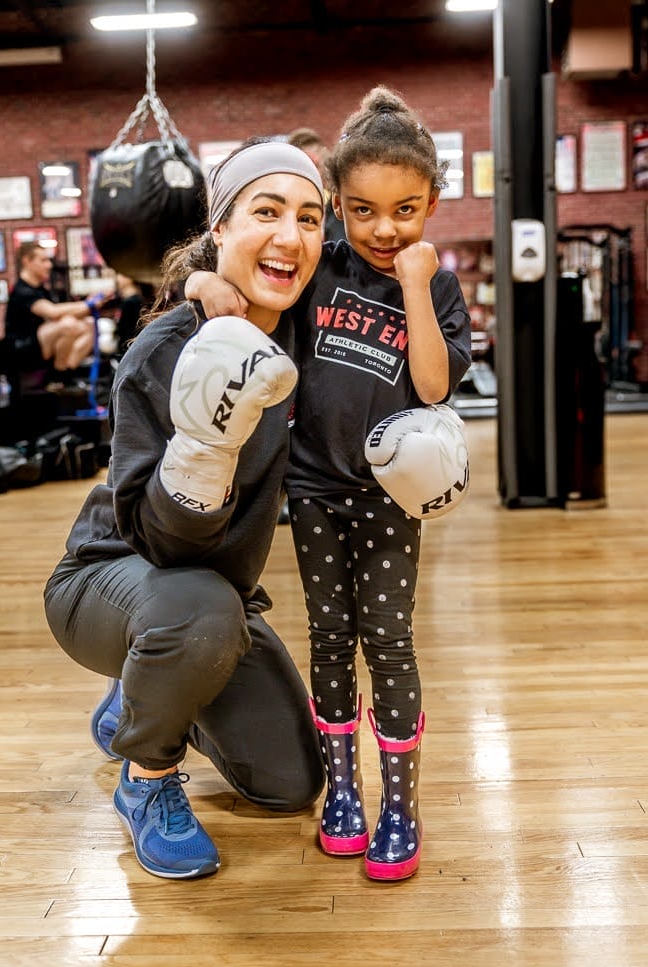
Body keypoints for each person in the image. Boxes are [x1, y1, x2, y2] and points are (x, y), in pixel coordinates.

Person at [185, 87, 472, 881]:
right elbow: (243, 296)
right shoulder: (321, 270)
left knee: (389, 640)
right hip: (312, 491)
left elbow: (434, 387)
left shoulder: (435, 286)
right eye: (363, 211)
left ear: (432, 202)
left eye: (406, 210)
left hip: (388, 500)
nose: (386, 229)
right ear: (339, 205)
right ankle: (343, 794)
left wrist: (416, 282)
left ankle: (399, 808)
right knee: (330, 639)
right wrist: (203, 287)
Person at [43, 138, 327, 881]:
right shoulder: (165, 350)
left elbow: (386, 256)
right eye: (266, 211)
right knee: (196, 611)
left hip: (214, 599)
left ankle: (150, 689)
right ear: (221, 227)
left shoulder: (304, 331)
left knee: (289, 784)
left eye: (309, 217)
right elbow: (164, 544)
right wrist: (207, 446)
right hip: (111, 579)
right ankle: (146, 781)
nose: (289, 235)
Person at [4, 242, 103, 386]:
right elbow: (53, 312)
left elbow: (64, 312)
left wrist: (90, 305)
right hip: (22, 349)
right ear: (27, 261)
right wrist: (87, 304)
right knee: (68, 324)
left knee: (88, 325)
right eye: (43, 260)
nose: (49, 265)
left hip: (42, 344)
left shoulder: (41, 290)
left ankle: (66, 373)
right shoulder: (22, 290)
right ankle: (58, 376)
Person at [286, 126, 346, 244]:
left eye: (316, 165)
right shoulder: (284, 209)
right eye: (305, 166)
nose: (312, 172)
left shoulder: (338, 205)